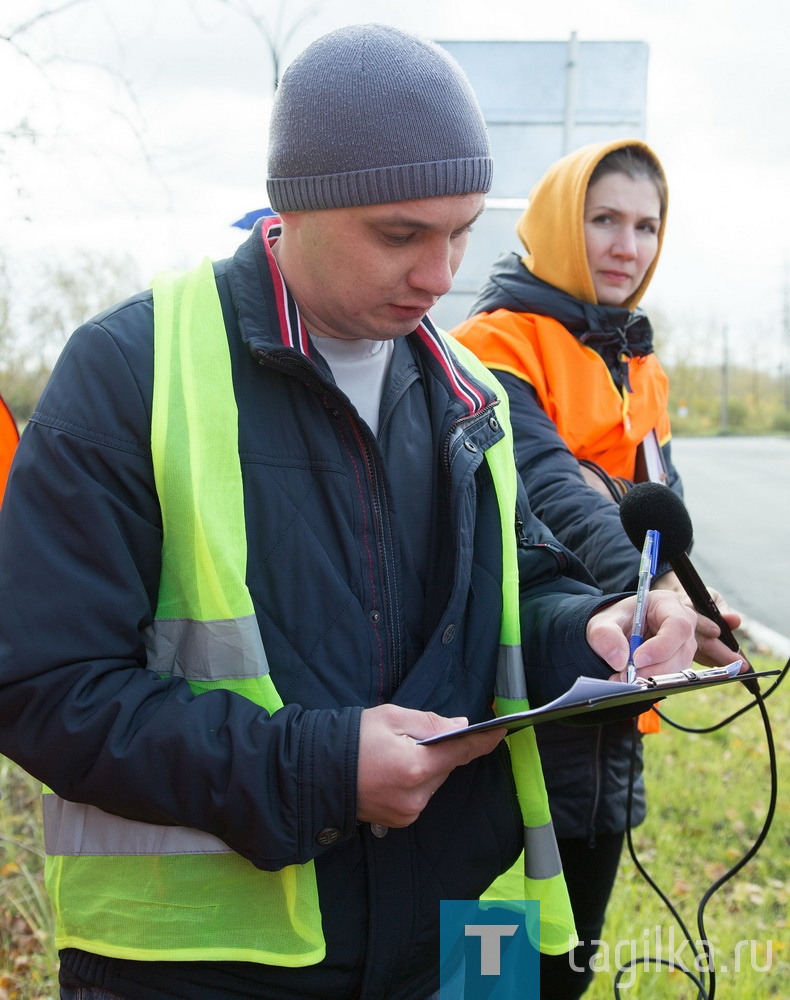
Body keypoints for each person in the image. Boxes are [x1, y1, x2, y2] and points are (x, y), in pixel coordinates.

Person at [0, 33, 731, 1000]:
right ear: (294, 202)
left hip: (467, 933)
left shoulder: (471, 389)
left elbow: (515, 595)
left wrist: (593, 634)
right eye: (401, 235)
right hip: (213, 966)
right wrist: (322, 770)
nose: (441, 274)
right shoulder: (130, 370)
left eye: (464, 231)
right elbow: (42, 687)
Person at [451, 139, 701, 998]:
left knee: (573, 954)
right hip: (519, 684)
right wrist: (655, 588)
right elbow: (554, 486)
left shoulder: (639, 361)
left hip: (617, 697)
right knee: (490, 959)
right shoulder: (492, 342)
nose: (627, 246)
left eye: (645, 226)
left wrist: (694, 607)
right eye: (604, 220)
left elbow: (652, 495)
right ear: (560, 223)